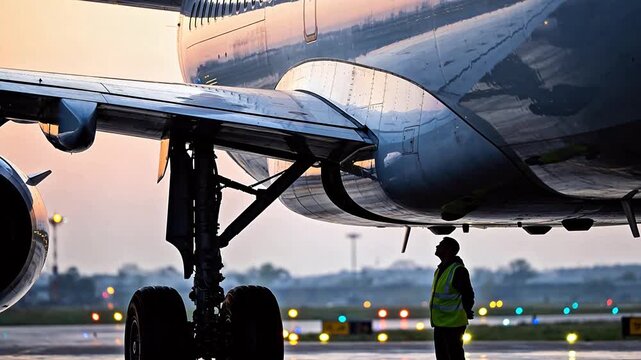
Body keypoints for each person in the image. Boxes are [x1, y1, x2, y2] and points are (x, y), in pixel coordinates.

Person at [429, 236, 475, 360]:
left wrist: (467, 310)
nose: (437, 246)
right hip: (440, 323)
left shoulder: (458, 270)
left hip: (453, 324)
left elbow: (468, 294)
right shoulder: (440, 270)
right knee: (443, 356)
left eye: (440, 244)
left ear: (448, 250)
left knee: (454, 356)